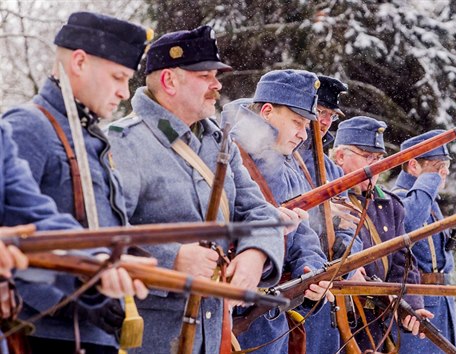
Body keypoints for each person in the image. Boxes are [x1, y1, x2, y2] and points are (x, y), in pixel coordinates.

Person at [107, 26, 287, 354]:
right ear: (169, 81)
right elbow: (102, 234)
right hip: (151, 336)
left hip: (212, 330)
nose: (217, 85)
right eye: (205, 75)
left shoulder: (218, 142)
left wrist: (255, 254)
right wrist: (171, 258)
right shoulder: (123, 142)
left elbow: (260, 213)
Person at [2, 12, 152, 352]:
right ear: (80, 62)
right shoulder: (31, 125)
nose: (123, 92)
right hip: (43, 334)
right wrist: (72, 300)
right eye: (117, 77)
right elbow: (18, 233)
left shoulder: (88, 136)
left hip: (92, 336)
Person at [224, 69, 335, 353]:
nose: (302, 134)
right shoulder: (227, 153)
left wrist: (311, 269)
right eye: (297, 122)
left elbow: (305, 232)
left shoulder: (288, 165)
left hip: (271, 317)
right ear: (267, 111)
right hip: (231, 311)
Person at [330, 116, 433, 352]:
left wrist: (412, 307)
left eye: (378, 158)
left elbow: (402, 265)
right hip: (334, 318)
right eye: (366, 157)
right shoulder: (326, 200)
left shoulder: (389, 205)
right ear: (340, 156)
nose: (374, 166)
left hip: (375, 321)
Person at [293, 75, 361, 353]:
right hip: (291, 281)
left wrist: (348, 254)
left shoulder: (333, 172)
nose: (324, 122)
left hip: (327, 280)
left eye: (330, 116)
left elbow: (349, 225)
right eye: (320, 112)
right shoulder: (283, 156)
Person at [392, 130, 456, 352]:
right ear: (413, 166)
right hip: (416, 301)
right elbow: (409, 224)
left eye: (445, 167)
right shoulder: (400, 197)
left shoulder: (427, 199)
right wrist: (429, 180)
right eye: (437, 167)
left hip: (439, 299)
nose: (444, 173)